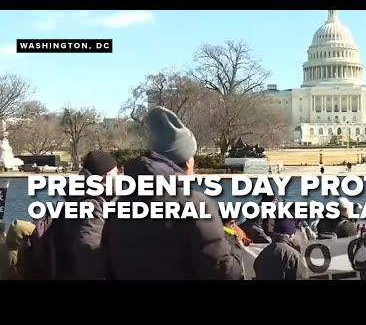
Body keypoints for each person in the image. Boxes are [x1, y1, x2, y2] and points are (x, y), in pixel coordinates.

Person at [101, 106, 244, 280]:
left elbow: (106, 267)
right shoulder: (196, 207)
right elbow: (223, 272)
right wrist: (233, 242)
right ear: (186, 162)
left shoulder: (117, 207)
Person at [55, 150, 119, 280]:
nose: (120, 176)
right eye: (117, 173)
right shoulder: (91, 206)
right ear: (106, 176)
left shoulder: (78, 199)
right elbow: (89, 249)